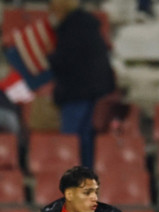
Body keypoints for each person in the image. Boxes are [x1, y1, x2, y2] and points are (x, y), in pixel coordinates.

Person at [47, 0, 115, 169]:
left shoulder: (70, 28)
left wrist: (49, 58)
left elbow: (66, 61)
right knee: (86, 143)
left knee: (69, 143)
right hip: (94, 93)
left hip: (75, 93)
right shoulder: (89, 26)